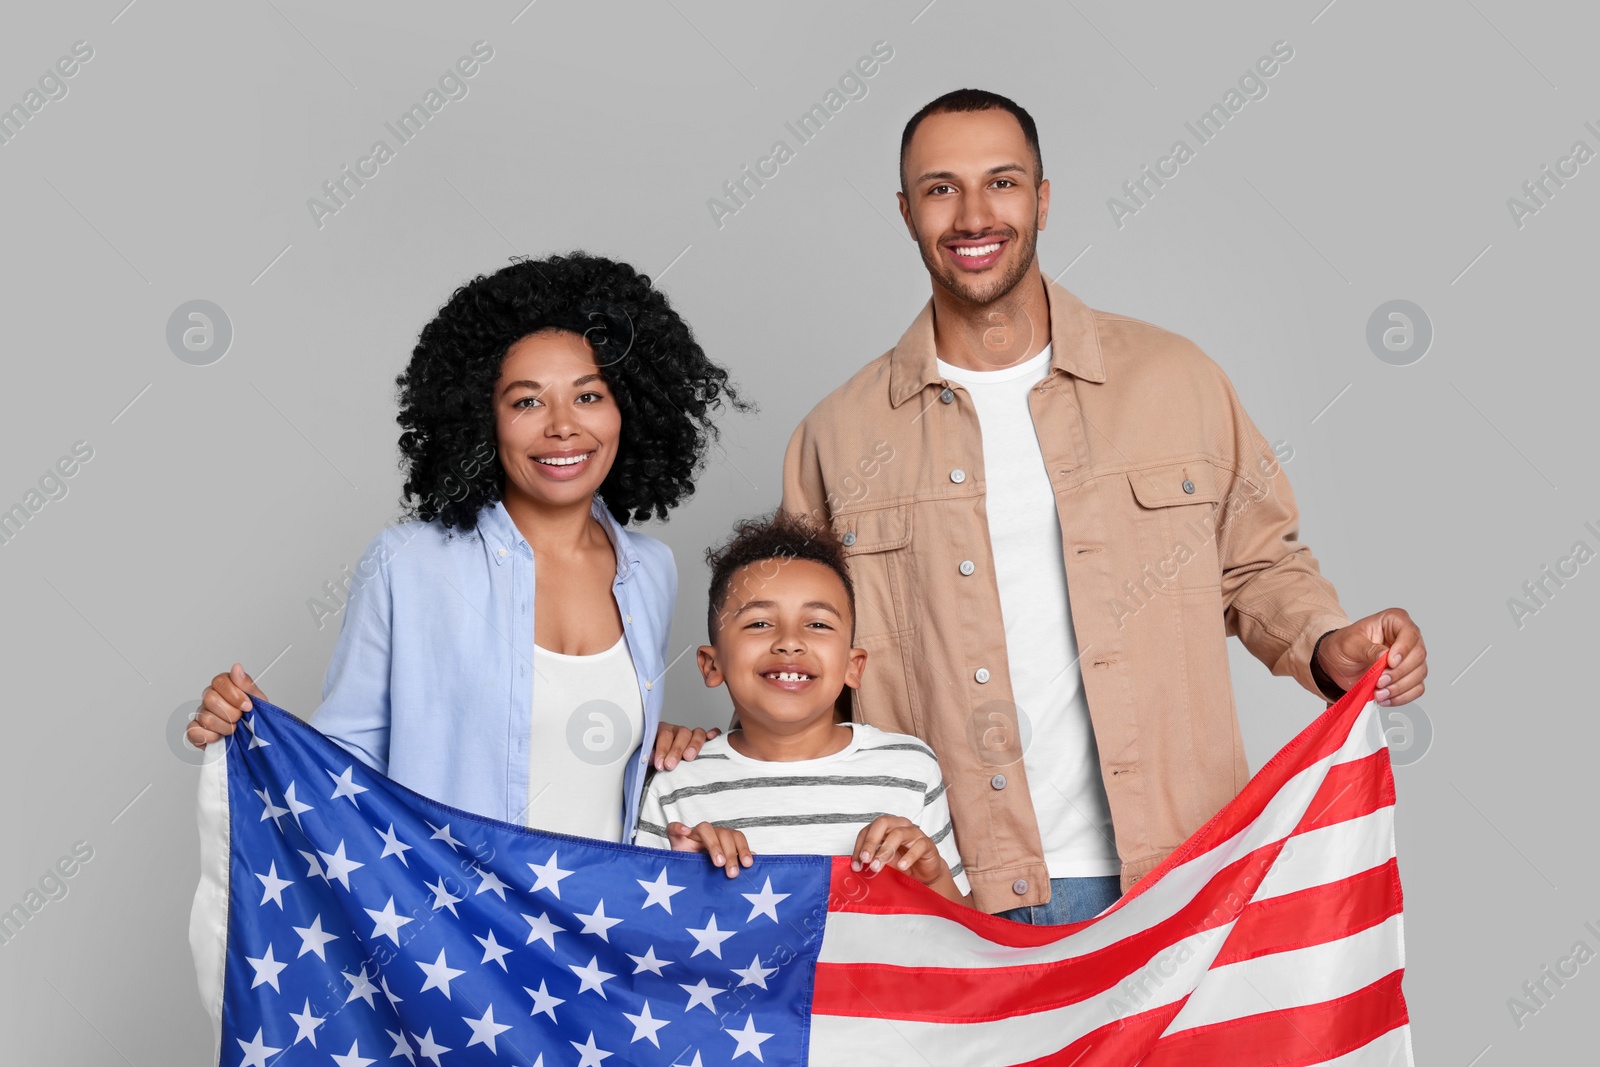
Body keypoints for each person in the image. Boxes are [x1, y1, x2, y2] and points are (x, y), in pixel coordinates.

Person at [781, 90, 1430, 923]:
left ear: (1044, 199)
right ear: (907, 213)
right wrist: (701, 753)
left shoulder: (1173, 378)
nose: (974, 214)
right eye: (941, 189)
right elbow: (800, 668)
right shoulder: (838, 434)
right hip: (949, 893)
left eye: (1003, 183)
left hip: (1175, 872)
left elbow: (1259, 562)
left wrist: (1326, 641)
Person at [188, 252, 746, 843]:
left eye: (589, 396)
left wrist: (662, 740)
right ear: (484, 420)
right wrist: (258, 733)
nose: (562, 426)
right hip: (456, 924)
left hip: (599, 928)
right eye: (527, 401)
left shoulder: (651, 570)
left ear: (628, 408)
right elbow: (346, 764)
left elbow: (599, 761)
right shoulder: (407, 563)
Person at [636, 512, 970, 906]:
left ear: (853, 666)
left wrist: (934, 881)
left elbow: (961, 944)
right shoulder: (675, 783)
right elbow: (647, 938)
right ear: (712, 665)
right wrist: (692, 880)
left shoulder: (910, 769)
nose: (790, 642)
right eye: (759, 623)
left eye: (818, 625)